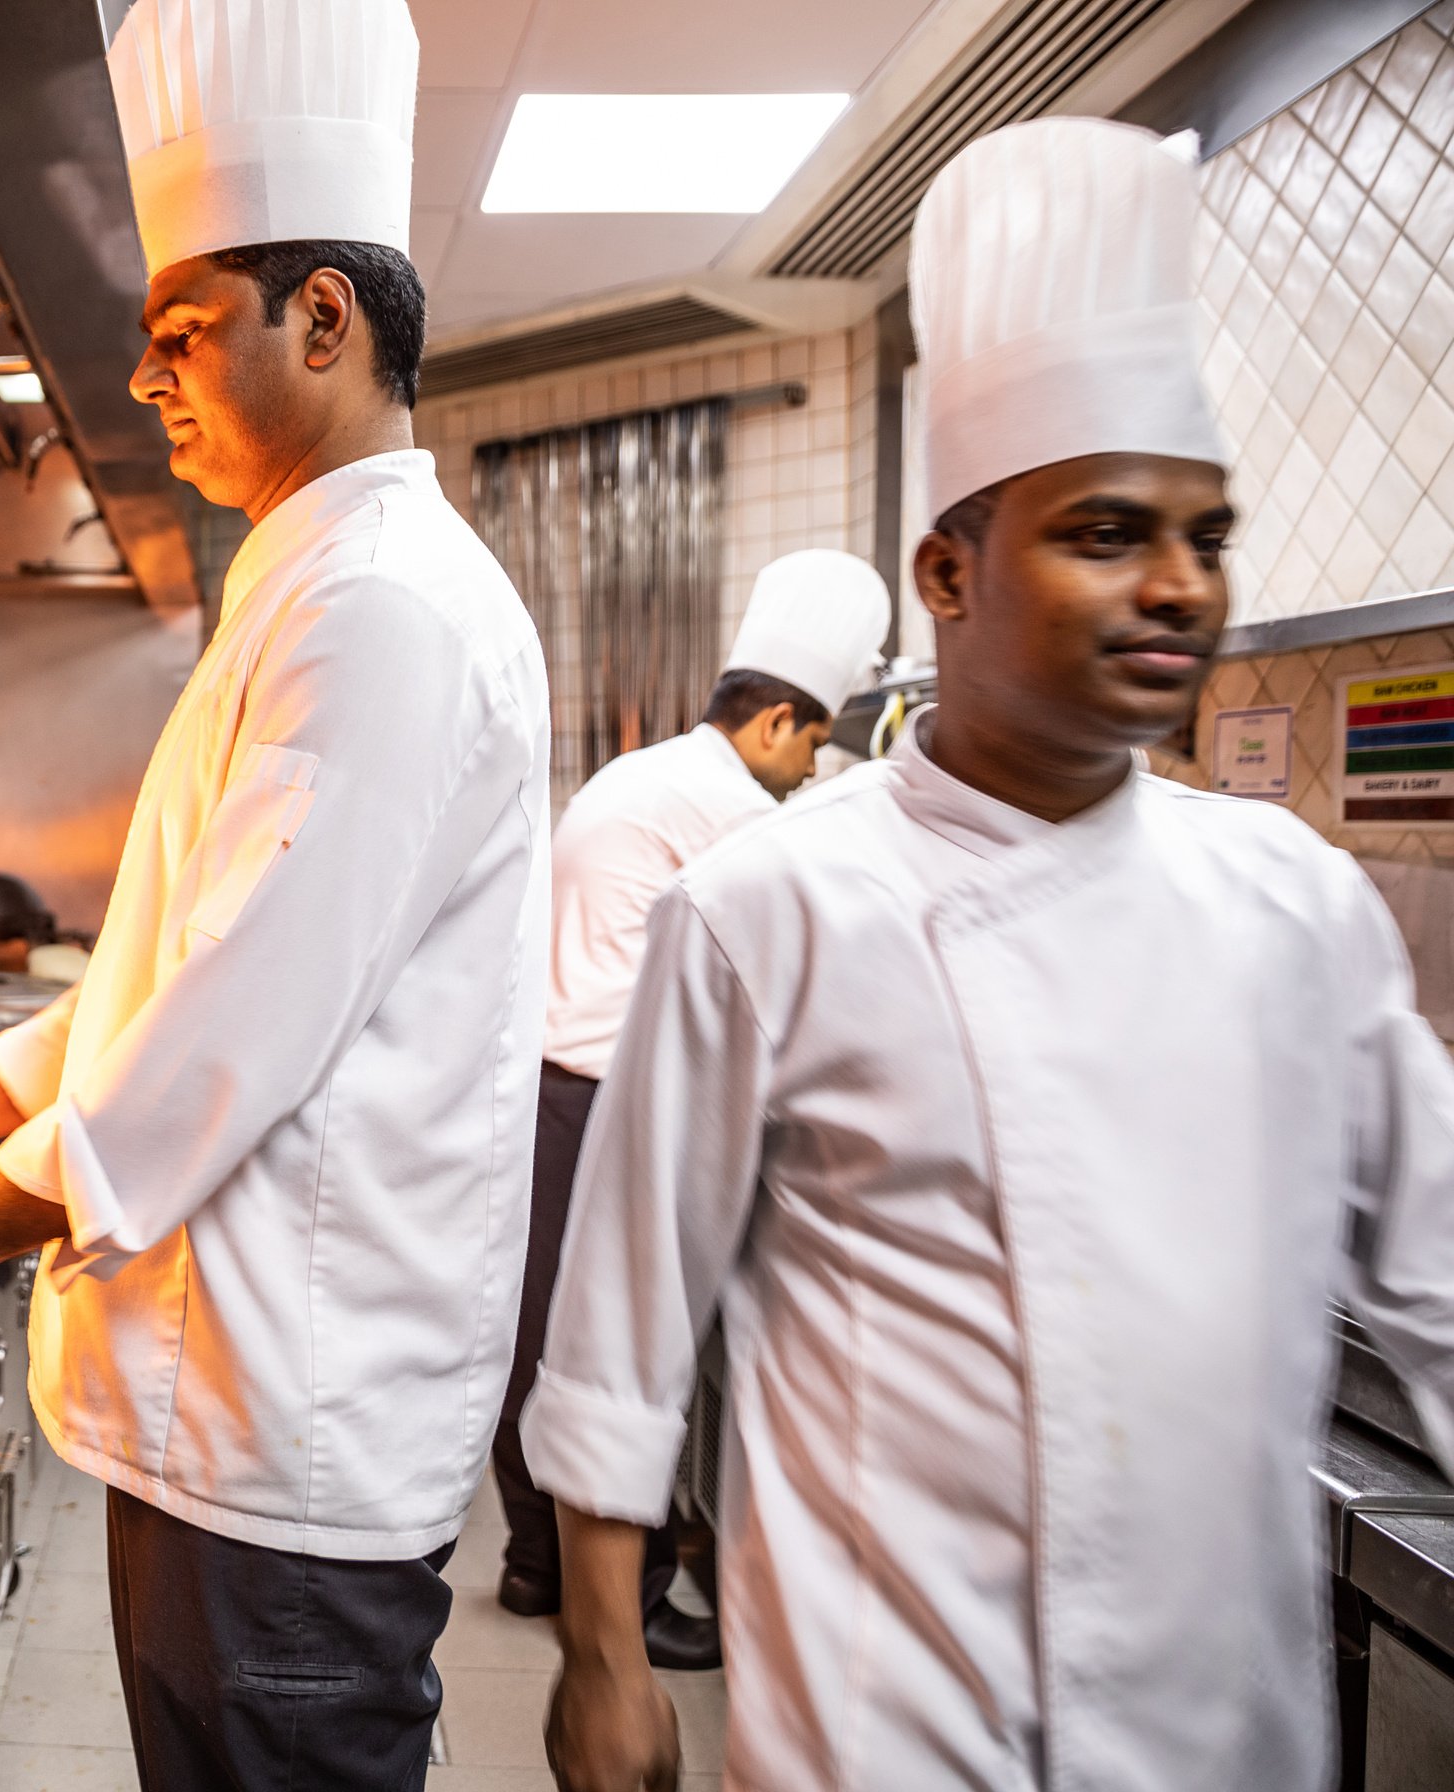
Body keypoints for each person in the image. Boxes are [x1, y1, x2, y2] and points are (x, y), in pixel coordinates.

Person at [526, 116, 1454, 1792]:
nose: (1175, 584)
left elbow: (1443, 1286)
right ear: (944, 573)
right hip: (881, 1734)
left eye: (1204, 535)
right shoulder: (771, 907)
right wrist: (603, 1652)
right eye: (1104, 532)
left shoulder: (1294, 907)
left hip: (1214, 1738)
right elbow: (622, 1324)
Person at [0, 0, 550, 1784]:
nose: (148, 381)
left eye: (180, 334)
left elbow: (231, 1019)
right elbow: (179, 961)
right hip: (229, 1415)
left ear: (324, 319)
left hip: (282, 1437)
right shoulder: (308, 584)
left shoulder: (381, 611)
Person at [495, 549, 891, 1675]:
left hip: (550, 1090)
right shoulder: (728, 807)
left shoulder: (649, 771)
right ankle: (638, 1595)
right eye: (812, 739)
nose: (813, 763)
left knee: (540, 1341)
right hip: (602, 1098)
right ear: (773, 721)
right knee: (622, 1353)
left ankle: (536, 1562)